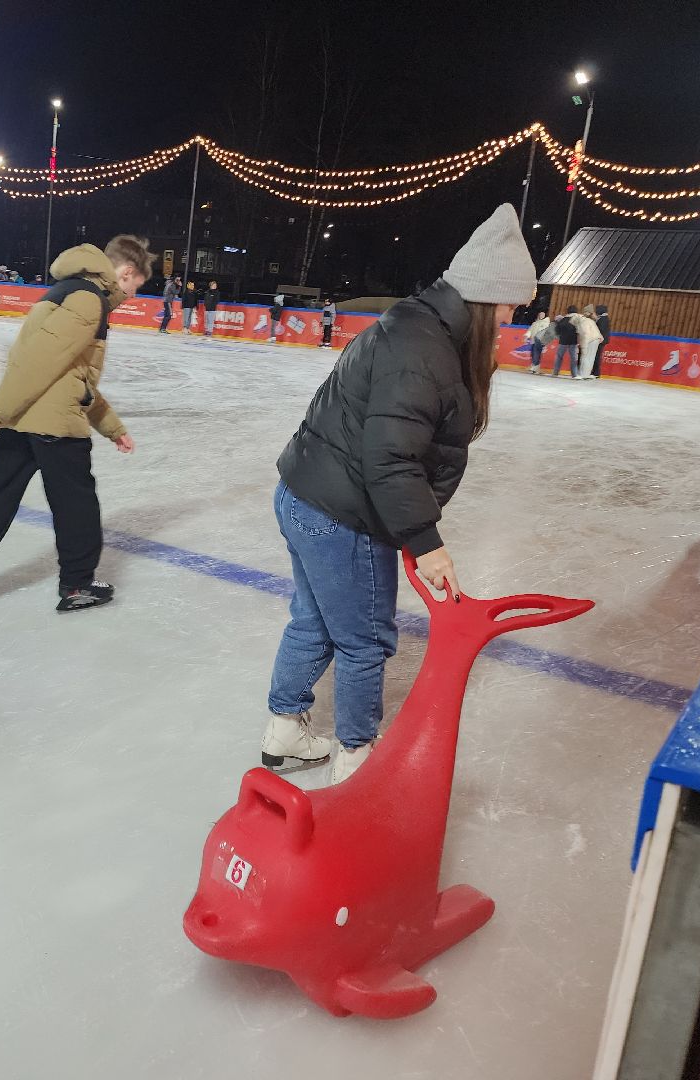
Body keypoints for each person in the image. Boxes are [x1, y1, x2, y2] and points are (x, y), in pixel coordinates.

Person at [262, 204, 535, 785]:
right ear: (486, 297)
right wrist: (425, 541)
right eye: (510, 305)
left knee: (313, 620)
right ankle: (356, 761)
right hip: (343, 513)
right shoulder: (424, 351)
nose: (513, 318)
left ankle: (284, 730)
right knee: (365, 641)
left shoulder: (417, 325)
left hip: (305, 494)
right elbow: (390, 458)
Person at [0, 235, 152, 614]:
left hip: (25, 416)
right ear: (126, 272)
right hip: (54, 423)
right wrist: (2, 407)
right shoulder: (88, 300)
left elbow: (73, 378)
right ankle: (77, 585)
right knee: (76, 507)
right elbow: (41, 359)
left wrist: (113, 428)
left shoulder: (67, 290)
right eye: (136, 286)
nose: (133, 296)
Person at [550, 307, 581, 378]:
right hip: (573, 341)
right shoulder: (577, 319)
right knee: (573, 358)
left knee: (559, 357)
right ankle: (574, 374)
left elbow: (557, 331)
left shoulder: (562, 320)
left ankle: (555, 372)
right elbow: (579, 330)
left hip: (563, 341)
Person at [524, 310, 550, 374]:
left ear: (545, 316)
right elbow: (530, 330)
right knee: (533, 353)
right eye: (540, 314)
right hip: (533, 340)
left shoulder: (546, 323)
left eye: (543, 315)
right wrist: (526, 336)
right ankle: (535, 367)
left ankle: (534, 367)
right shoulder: (535, 323)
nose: (541, 316)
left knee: (536, 353)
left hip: (539, 341)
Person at [593, 304, 611, 378]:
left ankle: (596, 373)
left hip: (600, 340)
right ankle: (595, 372)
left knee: (597, 356)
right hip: (602, 340)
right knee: (597, 356)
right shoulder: (604, 318)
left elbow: (600, 330)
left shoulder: (603, 319)